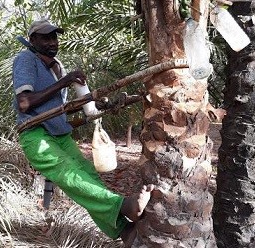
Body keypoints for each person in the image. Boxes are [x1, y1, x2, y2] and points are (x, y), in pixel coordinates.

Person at [12, 19, 154, 245]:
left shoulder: (56, 66)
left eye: (54, 37)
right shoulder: (26, 60)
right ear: (32, 40)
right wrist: (65, 82)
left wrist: (98, 106)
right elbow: (24, 103)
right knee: (73, 178)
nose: (52, 42)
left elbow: (60, 112)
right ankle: (123, 206)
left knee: (88, 177)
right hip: (36, 135)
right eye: (45, 38)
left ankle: (125, 231)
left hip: (60, 136)